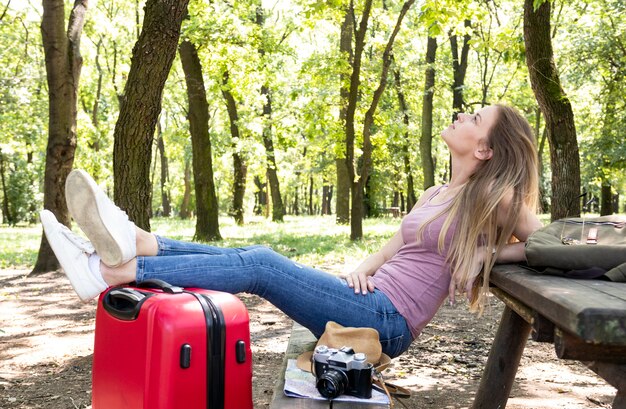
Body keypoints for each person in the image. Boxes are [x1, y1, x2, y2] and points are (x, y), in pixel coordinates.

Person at [40, 104, 543, 359]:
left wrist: (499, 257)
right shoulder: (437, 193)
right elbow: (397, 245)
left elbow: (545, 240)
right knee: (252, 256)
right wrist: (360, 269)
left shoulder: (494, 198)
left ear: (485, 150)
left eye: (475, 117)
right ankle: (138, 243)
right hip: (368, 299)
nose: (462, 114)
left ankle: (114, 269)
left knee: (260, 263)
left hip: (386, 324)